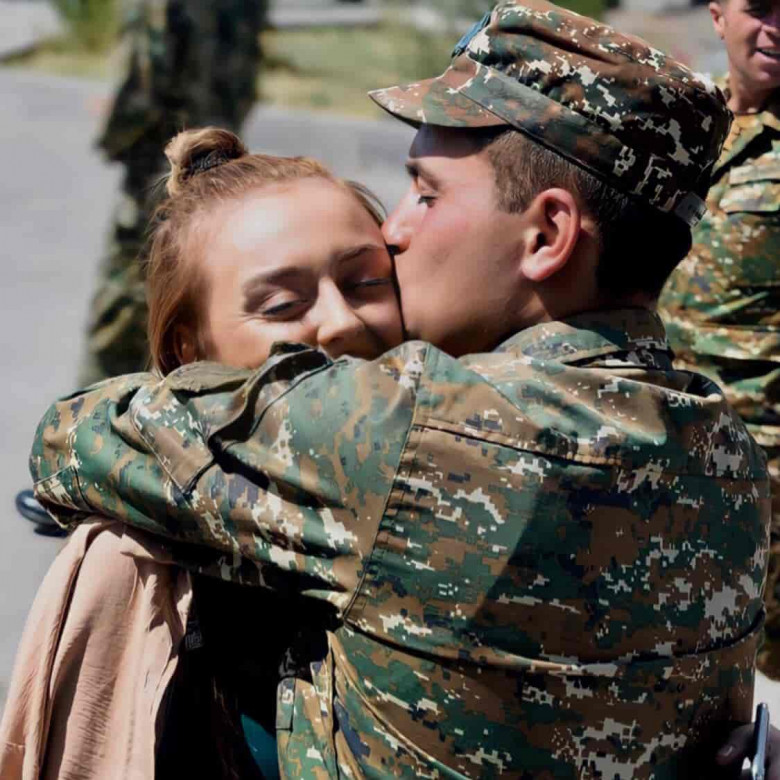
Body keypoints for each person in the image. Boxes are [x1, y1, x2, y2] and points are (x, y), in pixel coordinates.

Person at [26, 1, 772, 776]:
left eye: (425, 192)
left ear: (547, 234)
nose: (395, 230)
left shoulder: (407, 427)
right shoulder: (734, 461)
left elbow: (70, 439)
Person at [0, 130, 400, 779]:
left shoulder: (464, 439)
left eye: (367, 281)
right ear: (189, 349)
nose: (342, 321)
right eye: (283, 305)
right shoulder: (136, 568)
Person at [15, 0, 267, 534]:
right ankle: (164, 467)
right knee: (189, 311)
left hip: (164, 163)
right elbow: (246, 73)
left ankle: (80, 468)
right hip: (216, 163)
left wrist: (117, 141)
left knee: (123, 310)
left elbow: (143, 74)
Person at [658, 0, 780, 678]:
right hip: (670, 438)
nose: (775, 28)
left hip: (766, 463)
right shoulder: (684, 119)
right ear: (718, 16)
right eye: (759, 8)